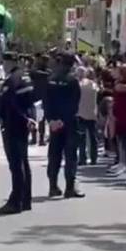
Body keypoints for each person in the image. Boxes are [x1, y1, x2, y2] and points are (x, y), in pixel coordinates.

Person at [0, 52, 36, 215]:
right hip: (23, 125)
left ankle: (15, 201)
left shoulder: (12, 80)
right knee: (23, 162)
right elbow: (30, 102)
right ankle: (25, 199)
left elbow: (11, 105)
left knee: (16, 165)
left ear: (10, 62)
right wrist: (30, 120)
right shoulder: (25, 77)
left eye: (4, 62)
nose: (3, 65)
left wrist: (13, 120)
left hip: (14, 125)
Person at [45, 51, 85, 198]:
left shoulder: (51, 79)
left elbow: (47, 102)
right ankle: (69, 188)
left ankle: (52, 186)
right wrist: (63, 119)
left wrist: (51, 120)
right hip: (69, 123)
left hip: (55, 123)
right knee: (70, 156)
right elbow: (74, 103)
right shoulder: (72, 80)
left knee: (54, 155)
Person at [77, 67, 100, 166]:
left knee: (81, 137)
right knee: (93, 137)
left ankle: (82, 158)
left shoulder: (79, 84)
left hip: (80, 113)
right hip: (92, 113)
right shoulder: (94, 85)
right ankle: (94, 158)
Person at [29, 54, 50, 146]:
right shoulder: (39, 73)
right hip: (40, 99)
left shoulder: (39, 73)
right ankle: (37, 138)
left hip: (40, 99)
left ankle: (38, 139)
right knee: (38, 119)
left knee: (39, 119)